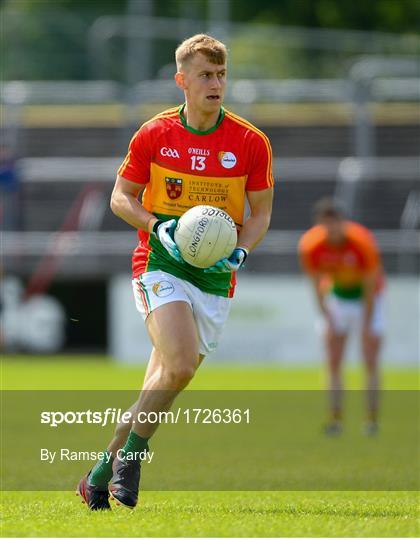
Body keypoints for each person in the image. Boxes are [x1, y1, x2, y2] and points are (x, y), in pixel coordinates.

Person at [77, 34, 274, 510]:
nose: (216, 83)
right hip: (160, 262)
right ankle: (134, 461)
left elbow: (261, 213)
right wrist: (156, 226)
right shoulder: (154, 133)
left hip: (215, 278)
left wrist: (241, 252)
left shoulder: (250, 142)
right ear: (181, 80)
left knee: (163, 382)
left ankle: (100, 473)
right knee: (180, 363)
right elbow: (120, 198)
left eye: (222, 75)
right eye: (206, 75)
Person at [298, 198, 385, 436]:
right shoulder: (311, 245)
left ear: (343, 223)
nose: (331, 231)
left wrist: (367, 323)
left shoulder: (362, 243)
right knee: (333, 360)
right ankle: (335, 419)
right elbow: (316, 285)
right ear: (319, 225)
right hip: (336, 298)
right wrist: (327, 316)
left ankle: (371, 419)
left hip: (368, 300)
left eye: (335, 224)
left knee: (370, 359)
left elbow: (370, 286)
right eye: (326, 225)